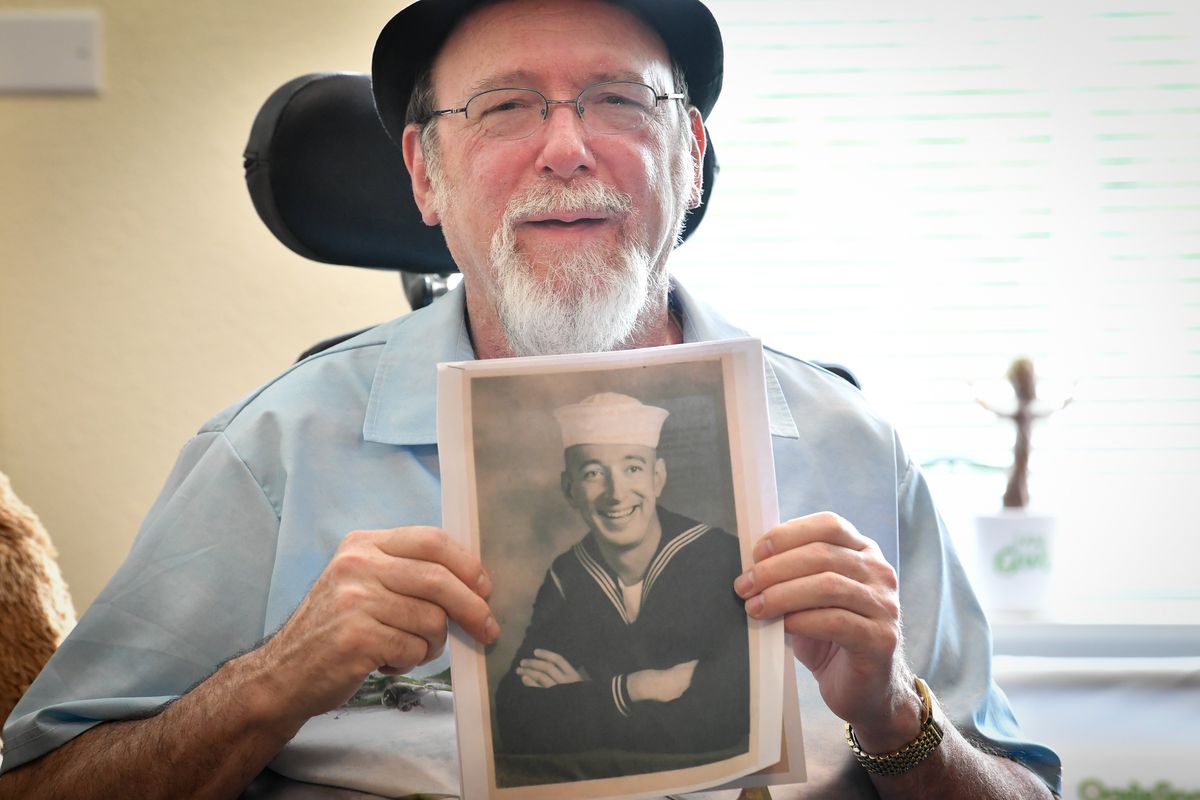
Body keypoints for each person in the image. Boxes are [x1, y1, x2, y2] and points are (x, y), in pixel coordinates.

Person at [0, 1, 1062, 798]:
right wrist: (274, 677)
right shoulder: (274, 450)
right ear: (424, 173)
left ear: (689, 157)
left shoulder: (850, 443)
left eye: (618, 101)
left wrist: (893, 716)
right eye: (505, 106)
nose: (566, 148)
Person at [493, 393, 749, 781]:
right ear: (569, 489)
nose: (615, 493)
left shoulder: (721, 559)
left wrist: (582, 698)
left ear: (657, 477)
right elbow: (517, 719)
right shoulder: (568, 576)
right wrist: (637, 688)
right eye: (593, 473)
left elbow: (721, 721)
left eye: (632, 468)